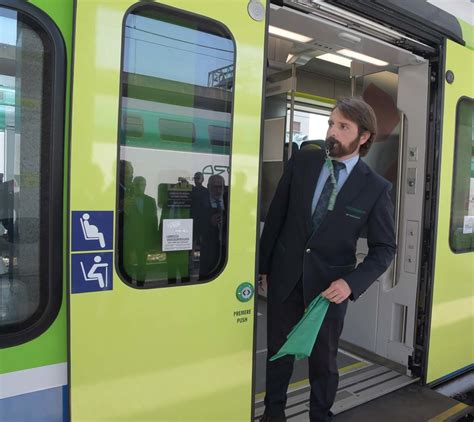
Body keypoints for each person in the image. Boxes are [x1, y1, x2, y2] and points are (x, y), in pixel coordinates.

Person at [258, 97, 396, 422]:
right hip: (285, 278)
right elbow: (276, 216)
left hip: (328, 292)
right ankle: (272, 415)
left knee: (324, 363)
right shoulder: (303, 163)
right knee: (278, 356)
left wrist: (351, 284)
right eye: (331, 123)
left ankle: (320, 416)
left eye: (343, 126)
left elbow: (384, 248)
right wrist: (263, 268)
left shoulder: (375, 188)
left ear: (364, 137)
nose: (332, 132)